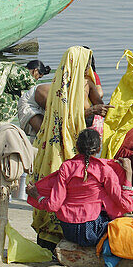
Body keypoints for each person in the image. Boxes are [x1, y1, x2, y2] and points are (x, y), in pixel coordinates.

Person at [29, 46, 109, 248]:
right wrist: (91, 109)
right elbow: (62, 116)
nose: (87, 68)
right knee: (55, 183)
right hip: (59, 143)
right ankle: (49, 238)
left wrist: (102, 109)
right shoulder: (59, 86)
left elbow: (101, 105)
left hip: (78, 142)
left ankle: (72, 231)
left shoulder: (87, 83)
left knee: (75, 188)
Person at [27, 129, 133, 247]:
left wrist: (37, 196)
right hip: (93, 230)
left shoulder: (66, 167)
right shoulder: (104, 169)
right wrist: (128, 173)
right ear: (99, 148)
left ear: (77, 146)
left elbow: (53, 205)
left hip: (69, 230)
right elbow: (125, 203)